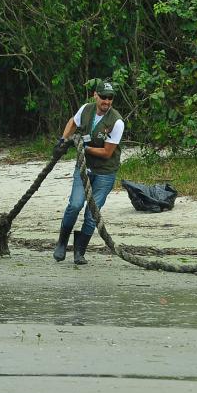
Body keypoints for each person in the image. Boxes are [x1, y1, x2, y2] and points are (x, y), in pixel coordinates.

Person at [52, 79, 125, 264]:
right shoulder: (85, 109)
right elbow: (72, 122)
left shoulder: (117, 122)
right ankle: (61, 244)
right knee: (75, 204)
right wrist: (63, 139)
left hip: (105, 173)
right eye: (103, 97)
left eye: (110, 98)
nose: (106, 101)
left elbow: (107, 152)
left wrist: (83, 148)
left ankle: (79, 252)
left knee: (92, 214)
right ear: (95, 95)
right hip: (83, 167)